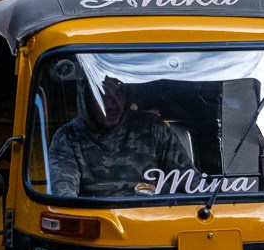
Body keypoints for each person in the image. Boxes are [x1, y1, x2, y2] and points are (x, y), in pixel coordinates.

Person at [46, 75, 196, 197]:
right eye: (103, 93)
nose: (113, 104)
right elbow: (64, 192)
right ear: (87, 96)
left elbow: (192, 183)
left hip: (152, 220)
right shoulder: (67, 137)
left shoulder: (152, 128)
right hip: (99, 224)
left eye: (119, 92)